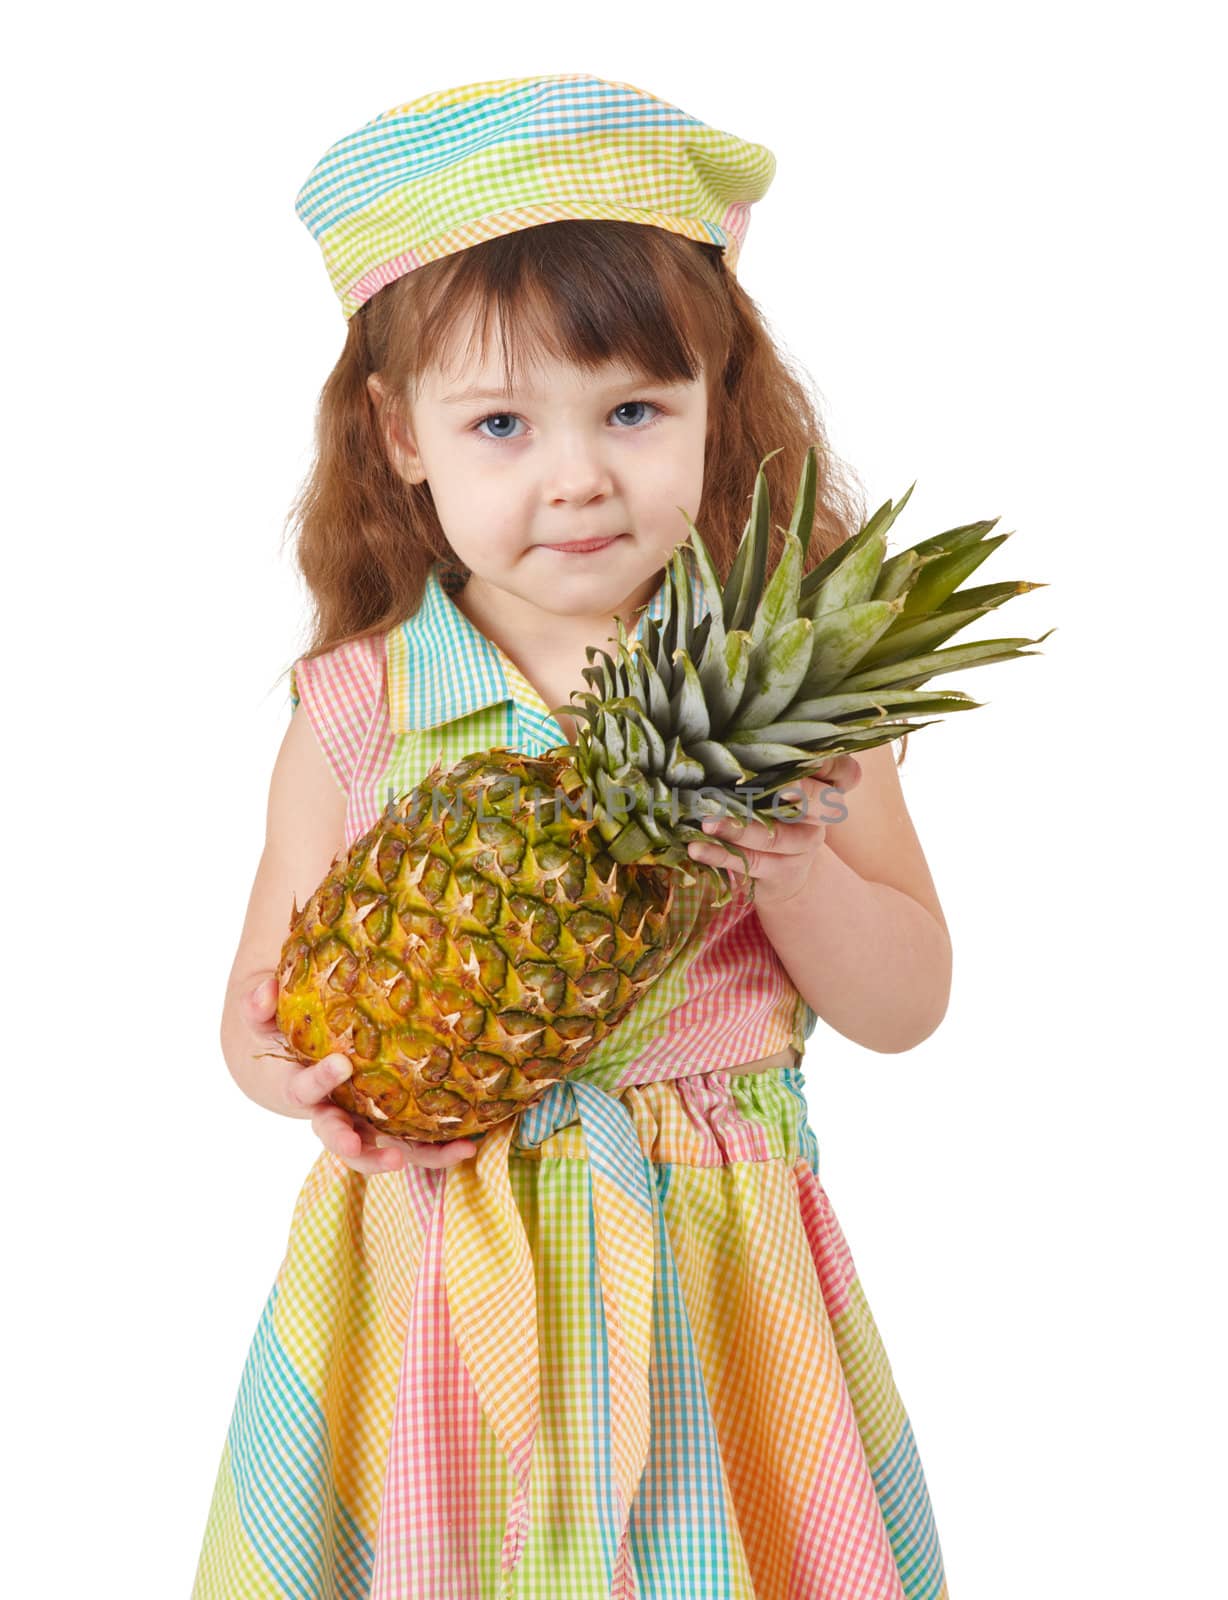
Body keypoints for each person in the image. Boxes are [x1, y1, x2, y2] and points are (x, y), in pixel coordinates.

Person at [192, 73, 954, 1600]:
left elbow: (908, 1001)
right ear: (401, 439)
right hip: (433, 1264)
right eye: (500, 422)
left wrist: (797, 869)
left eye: (631, 409)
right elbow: (259, 982)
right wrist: (286, 1068)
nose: (579, 475)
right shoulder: (363, 704)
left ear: (712, 410)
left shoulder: (786, 689)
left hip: (711, 1265)